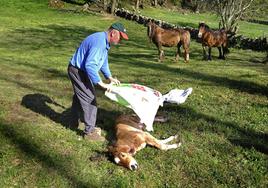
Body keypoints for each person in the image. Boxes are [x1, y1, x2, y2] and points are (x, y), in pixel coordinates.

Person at [67, 22, 128, 141]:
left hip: (79, 70)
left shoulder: (104, 41)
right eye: (120, 37)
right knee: (89, 98)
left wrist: (109, 77)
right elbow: (90, 65)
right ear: (113, 33)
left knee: (80, 96)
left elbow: (103, 62)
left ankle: (73, 122)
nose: (120, 40)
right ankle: (89, 132)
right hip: (77, 71)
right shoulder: (99, 42)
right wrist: (100, 83)